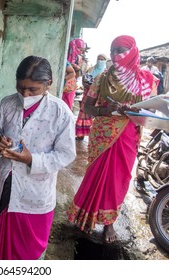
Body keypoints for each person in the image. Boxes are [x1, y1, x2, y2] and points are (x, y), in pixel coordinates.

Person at [0, 56, 76, 260]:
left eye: (32, 90)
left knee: (27, 253)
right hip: (5, 186)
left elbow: (66, 154)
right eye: (20, 88)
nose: (25, 94)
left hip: (35, 194)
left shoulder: (61, 113)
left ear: (47, 85)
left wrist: (31, 160)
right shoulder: (8, 103)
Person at [67, 35, 156, 243]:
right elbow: (86, 106)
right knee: (96, 174)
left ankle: (109, 223)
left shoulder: (145, 79)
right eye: (113, 50)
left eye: (121, 50)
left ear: (133, 52)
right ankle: (84, 216)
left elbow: (151, 110)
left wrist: (134, 110)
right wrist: (105, 109)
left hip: (128, 134)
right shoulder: (103, 77)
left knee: (118, 179)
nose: (115, 55)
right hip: (102, 134)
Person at [75, 54, 107, 140]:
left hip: (98, 98)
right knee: (83, 112)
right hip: (87, 95)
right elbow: (84, 79)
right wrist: (85, 84)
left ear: (105, 60)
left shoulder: (106, 72)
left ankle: (93, 135)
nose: (100, 61)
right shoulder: (91, 69)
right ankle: (80, 134)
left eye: (102, 59)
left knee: (94, 116)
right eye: (99, 59)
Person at [62, 38, 87, 109]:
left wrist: (77, 68)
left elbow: (78, 74)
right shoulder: (64, 56)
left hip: (70, 85)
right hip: (63, 83)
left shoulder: (78, 59)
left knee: (67, 104)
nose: (80, 52)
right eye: (79, 49)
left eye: (82, 50)